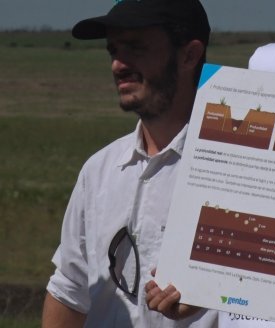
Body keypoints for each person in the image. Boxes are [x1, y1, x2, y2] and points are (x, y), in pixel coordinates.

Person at [41, 0, 218, 327]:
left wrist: (213, 290)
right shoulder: (99, 171)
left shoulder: (240, 169)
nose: (118, 65)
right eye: (113, 50)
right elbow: (69, 288)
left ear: (189, 55)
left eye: (136, 48)